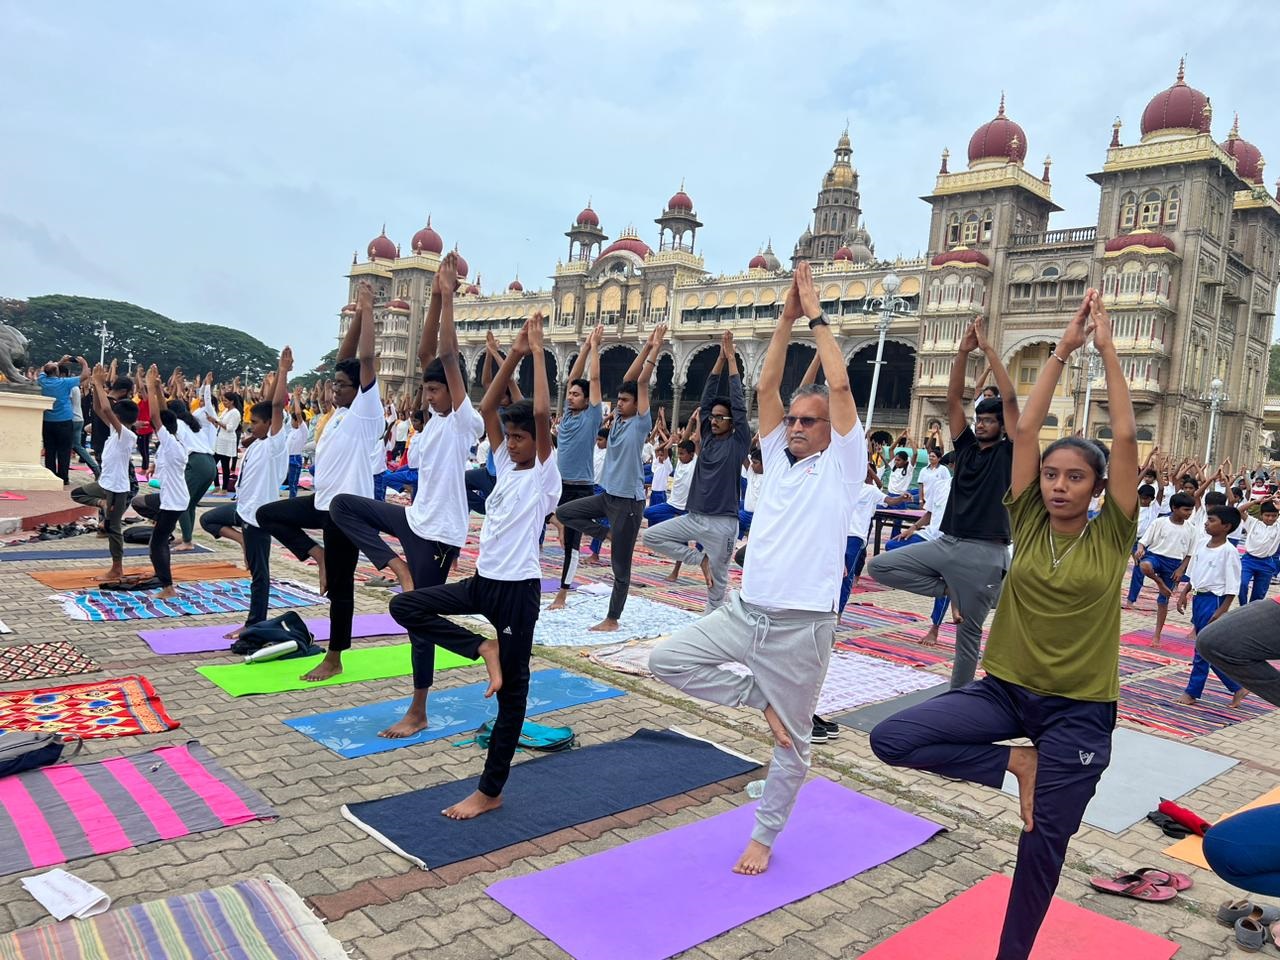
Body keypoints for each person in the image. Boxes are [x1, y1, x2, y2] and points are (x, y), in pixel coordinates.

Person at [871, 289, 1139, 960]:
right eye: (1051, 474)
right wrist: (1061, 351)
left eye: (1075, 477)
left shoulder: (1113, 537)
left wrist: (1106, 351)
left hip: (1079, 713)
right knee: (892, 737)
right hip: (1006, 693)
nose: (1058, 485)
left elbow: (1127, 438)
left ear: (1097, 489)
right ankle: (1016, 762)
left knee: (1043, 844)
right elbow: (1025, 429)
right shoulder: (1024, 519)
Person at [650, 261, 862, 876]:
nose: (794, 427)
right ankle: (757, 698)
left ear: (831, 431)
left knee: (793, 747)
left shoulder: (843, 467)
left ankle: (765, 835)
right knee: (666, 661)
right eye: (792, 421)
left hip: (801, 629)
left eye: (807, 422)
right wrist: (783, 321)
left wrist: (817, 315)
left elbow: (842, 392)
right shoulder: (777, 455)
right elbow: (765, 390)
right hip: (746, 613)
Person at [387, 313, 560, 817]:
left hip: (517, 593)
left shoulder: (545, 476)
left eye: (522, 437)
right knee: (406, 607)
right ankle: (481, 647)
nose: (513, 443)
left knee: (513, 694)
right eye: (509, 437)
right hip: (482, 585)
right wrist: (512, 356)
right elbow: (487, 405)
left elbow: (544, 415)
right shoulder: (506, 462)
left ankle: (490, 789)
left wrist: (541, 350)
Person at [331, 254, 487, 730]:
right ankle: (393, 565)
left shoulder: (465, 420)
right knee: (342, 506)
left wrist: (448, 302)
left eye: (437, 391)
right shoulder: (434, 420)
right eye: (428, 391)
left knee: (417, 617)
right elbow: (426, 357)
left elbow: (444, 354)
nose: (428, 396)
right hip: (414, 519)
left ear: (453, 391)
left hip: (439, 534)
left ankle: (418, 708)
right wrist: (436, 296)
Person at [867, 314, 1019, 687]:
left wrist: (988, 350)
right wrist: (963, 354)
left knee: (967, 641)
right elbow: (952, 399)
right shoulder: (965, 448)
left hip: (986, 551)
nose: (981, 423)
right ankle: (953, 589)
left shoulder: (1012, 452)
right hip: (948, 542)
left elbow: (1011, 399)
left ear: (1003, 425)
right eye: (978, 418)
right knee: (881, 567)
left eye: (989, 419)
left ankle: (959, 705)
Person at [257, 279, 381, 682]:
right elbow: (344, 362)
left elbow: (363, 360)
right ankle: (318, 554)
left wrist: (366, 311)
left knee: (341, 589)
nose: (334, 391)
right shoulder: (338, 413)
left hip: (348, 511)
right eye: (334, 386)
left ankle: (334, 657)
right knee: (268, 514)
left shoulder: (365, 412)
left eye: (342, 386)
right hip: (323, 502)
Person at [557, 324, 666, 632]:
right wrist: (644, 347)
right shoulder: (618, 419)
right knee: (565, 513)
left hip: (628, 503)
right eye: (618, 400)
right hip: (607, 496)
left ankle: (612, 619)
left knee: (621, 566)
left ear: (638, 405)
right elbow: (630, 380)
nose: (619, 403)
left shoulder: (640, 422)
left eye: (625, 401)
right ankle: (603, 535)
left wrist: (654, 349)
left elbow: (640, 382)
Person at [643, 328, 751, 611]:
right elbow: (706, 400)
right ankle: (698, 560)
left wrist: (732, 360)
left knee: (717, 585)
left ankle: (709, 630)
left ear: (731, 421)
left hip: (722, 524)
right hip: (694, 517)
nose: (713, 421)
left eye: (720, 418)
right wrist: (719, 358)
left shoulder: (738, 442)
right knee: (652, 536)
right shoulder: (709, 438)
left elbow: (739, 405)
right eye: (712, 417)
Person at [200, 349, 293, 637]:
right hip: (242, 509)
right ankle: (241, 540)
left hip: (258, 516)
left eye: (256, 422)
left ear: (271, 424)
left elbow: (276, 405)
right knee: (209, 520)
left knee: (259, 574)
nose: (250, 425)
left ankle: (254, 623)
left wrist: (283, 371)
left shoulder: (277, 443)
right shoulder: (256, 444)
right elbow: (267, 404)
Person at [547, 325, 605, 610]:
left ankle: (562, 593)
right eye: (569, 394)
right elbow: (574, 376)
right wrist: (582, 348)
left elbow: (592, 379)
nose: (570, 396)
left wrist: (595, 347)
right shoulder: (568, 416)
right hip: (558, 486)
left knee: (572, 543)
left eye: (576, 394)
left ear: (587, 400)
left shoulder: (592, 416)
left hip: (580, 488)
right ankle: (559, 520)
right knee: (536, 514)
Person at [70, 364, 140, 583]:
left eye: (114, 417)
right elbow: (102, 411)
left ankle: (117, 568)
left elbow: (108, 411)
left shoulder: (127, 435)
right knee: (77, 494)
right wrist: (94, 387)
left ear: (120, 418)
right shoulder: (115, 431)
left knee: (113, 527)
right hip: (105, 484)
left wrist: (99, 383)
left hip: (117, 488)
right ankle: (101, 504)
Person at [1174, 506, 1246, 707]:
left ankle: (1192, 692)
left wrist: (1221, 610)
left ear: (1226, 526)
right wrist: (1184, 592)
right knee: (1205, 648)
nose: (1206, 523)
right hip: (1199, 598)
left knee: (1202, 649)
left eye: (1212, 520)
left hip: (1213, 601)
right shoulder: (1202, 544)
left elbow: (1233, 586)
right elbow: (1195, 573)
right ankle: (1237, 687)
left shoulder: (1229, 552)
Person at [129, 365, 190, 599]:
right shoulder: (173, 439)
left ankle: (168, 587)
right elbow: (163, 415)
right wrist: (157, 388)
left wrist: (152, 386)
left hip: (173, 501)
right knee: (139, 502)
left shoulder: (172, 442)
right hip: (170, 498)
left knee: (157, 543)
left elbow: (156, 417)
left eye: (158, 430)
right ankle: (161, 526)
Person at [1133, 491, 1195, 646]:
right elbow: (1144, 541)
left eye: (1190, 510)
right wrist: (1140, 549)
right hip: (1156, 557)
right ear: (1174, 508)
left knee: (1163, 600)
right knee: (1144, 565)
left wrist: (1181, 569)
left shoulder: (1192, 529)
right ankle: (1160, 582)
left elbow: (1189, 554)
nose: (1188, 513)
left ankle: (1157, 635)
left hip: (1174, 563)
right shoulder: (1160, 522)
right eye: (1185, 510)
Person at [169, 373, 219, 553]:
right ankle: (187, 537)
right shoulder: (192, 423)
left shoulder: (178, 424)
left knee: (182, 502)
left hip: (197, 463)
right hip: (209, 464)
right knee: (189, 503)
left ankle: (188, 541)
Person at [38, 356, 89, 484]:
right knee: (64, 451)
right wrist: (83, 363)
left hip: (48, 420)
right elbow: (85, 376)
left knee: (50, 450)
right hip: (64, 421)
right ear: (58, 372)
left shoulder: (42, 380)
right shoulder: (65, 383)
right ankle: (63, 478)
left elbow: (45, 370)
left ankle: (50, 475)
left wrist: (58, 362)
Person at [1121, 482, 1163, 608]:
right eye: (1141, 498)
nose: (1143, 501)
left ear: (1151, 499)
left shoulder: (1154, 509)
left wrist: (1157, 469)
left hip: (1142, 542)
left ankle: (1131, 600)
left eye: (1146, 499)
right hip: (1128, 539)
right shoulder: (1133, 506)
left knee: (1139, 569)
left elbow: (1161, 489)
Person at [1236, 499, 1280, 605]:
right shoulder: (1253, 523)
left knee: (1259, 594)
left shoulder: (1278, 526)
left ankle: (1251, 612)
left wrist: (1279, 507)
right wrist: (1256, 501)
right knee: (1242, 584)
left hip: (1267, 563)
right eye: (1267, 515)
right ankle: (1243, 606)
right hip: (1248, 560)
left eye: (1274, 516)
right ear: (1261, 515)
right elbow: (1239, 511)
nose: (1270, 518)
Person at [212, 389, 243, 493]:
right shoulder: (226, 411)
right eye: (223, 400)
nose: (224, 403)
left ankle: (224, 488)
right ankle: (217, 486)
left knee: (225, 466)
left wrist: (217, 421)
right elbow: (219, 422)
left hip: (227, 441)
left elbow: (230, 428)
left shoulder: (235, 413)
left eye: (225, 401)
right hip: (220, 440)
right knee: (213, 464)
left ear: (232, 401)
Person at [69, 378, 99, 477]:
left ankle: (95, 467)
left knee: (77, 445)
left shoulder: (87, 395)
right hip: (80, 419)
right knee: (77, 445)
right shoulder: (77, 390)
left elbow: (86, 386)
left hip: (78, 420)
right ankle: (95, 467)